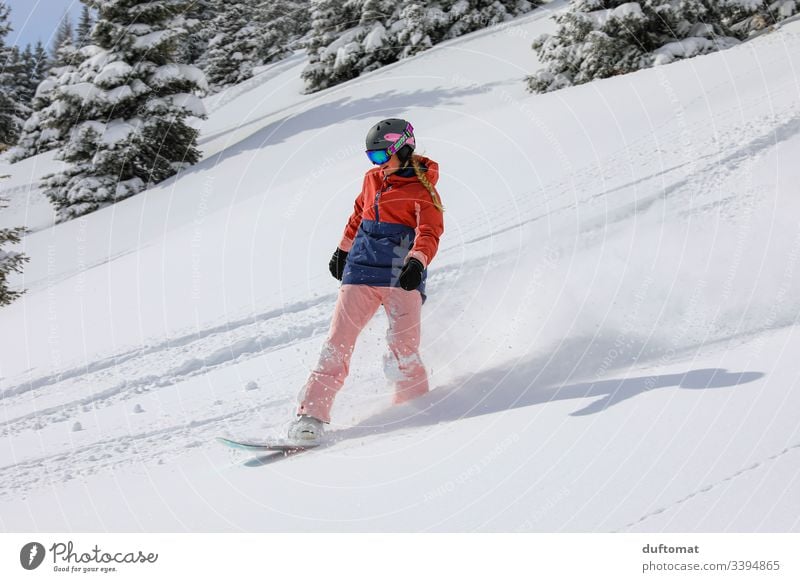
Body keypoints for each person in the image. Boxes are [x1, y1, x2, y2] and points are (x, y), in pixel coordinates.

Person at [288, 118, 445, 443]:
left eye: (379, 157)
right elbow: (358, 214)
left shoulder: (422, 190)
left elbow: (430, 232)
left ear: (402, 149)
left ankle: (415, 407)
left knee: (404, 349)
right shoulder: (372, 179)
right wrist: (343, 250)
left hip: (400, 277)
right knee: (336, 345)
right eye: (371, 157)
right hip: (360, 270)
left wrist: (417, 262)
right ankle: (311, 417)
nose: (376, 164)